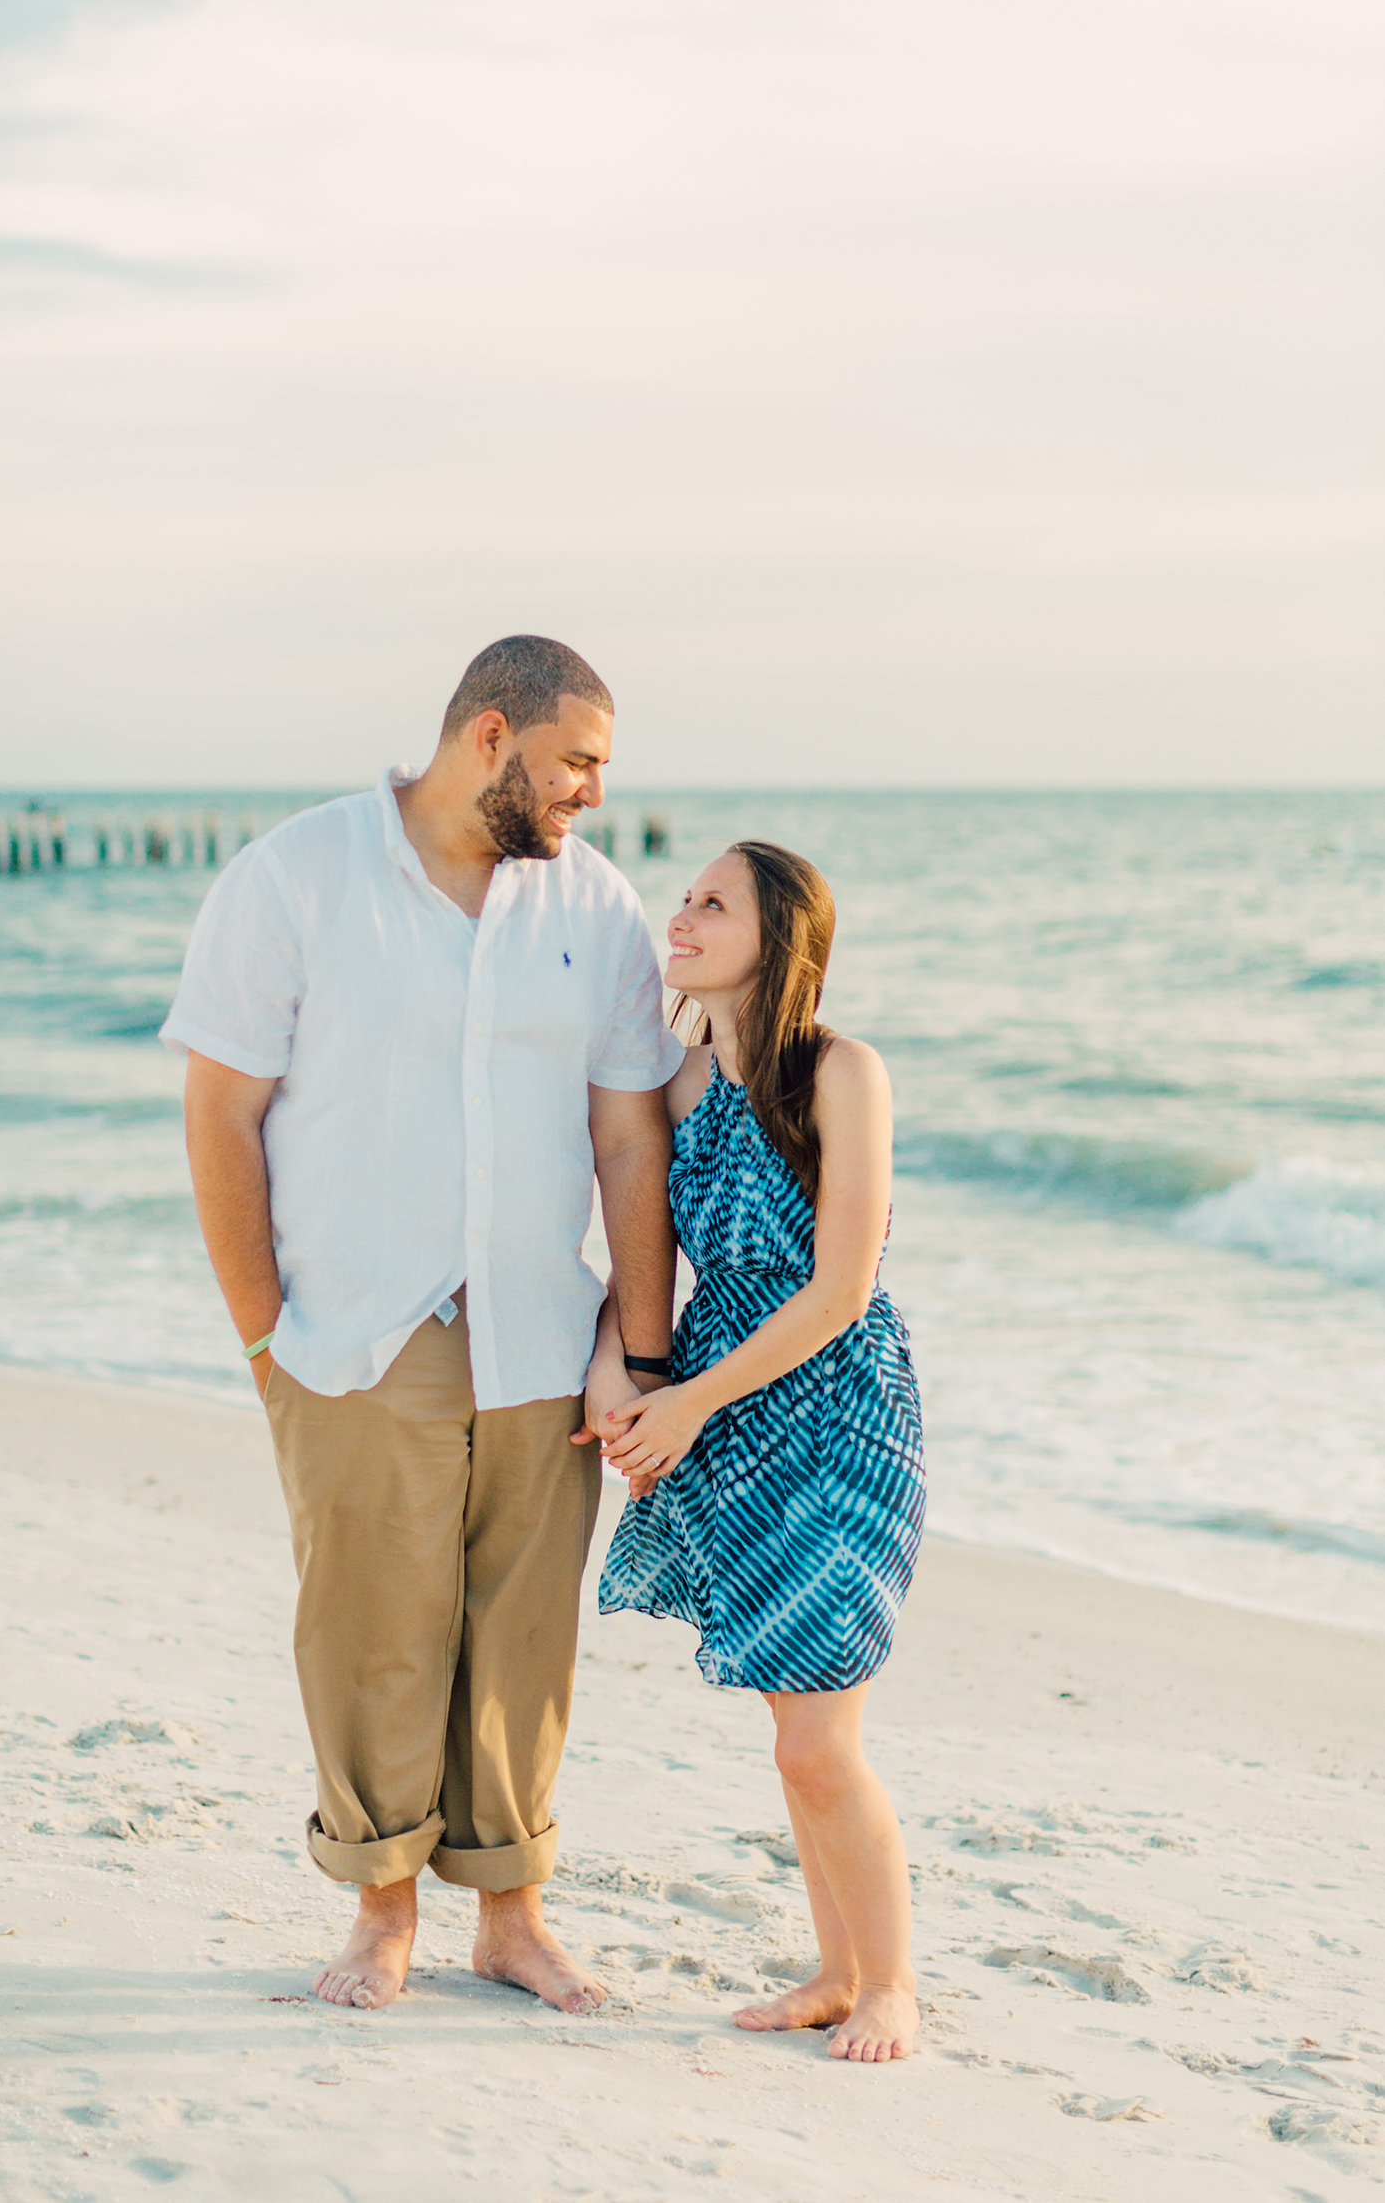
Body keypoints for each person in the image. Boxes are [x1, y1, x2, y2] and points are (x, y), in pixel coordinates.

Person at [163, 634, 684, 2014]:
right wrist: (261, 1329)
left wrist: (639, 1346)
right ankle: (379, 1911)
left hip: (538, 1329)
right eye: (575, 761)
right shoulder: (296, 876)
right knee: (368, 1629)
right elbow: (220, 1109)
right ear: (489, 737)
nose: (589, 791)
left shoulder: (597, 903)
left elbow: (627, 1139)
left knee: (523, 1636)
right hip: (350, 1331)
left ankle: (510, 1919)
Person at [595, 842, 925, 2063]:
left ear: (777, 935)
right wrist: (623, 1380)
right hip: (726, 1419)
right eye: (682, 897)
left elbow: (843, 1287)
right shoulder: (676, 1085)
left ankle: (890, 1981)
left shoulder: (843, 1071)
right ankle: (838, 1969)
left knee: (817, 1732)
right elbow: (638, 1247)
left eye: (711, 902)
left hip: (837, 1412)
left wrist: (686, 1402)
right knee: (796, 1720)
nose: (679, 916)